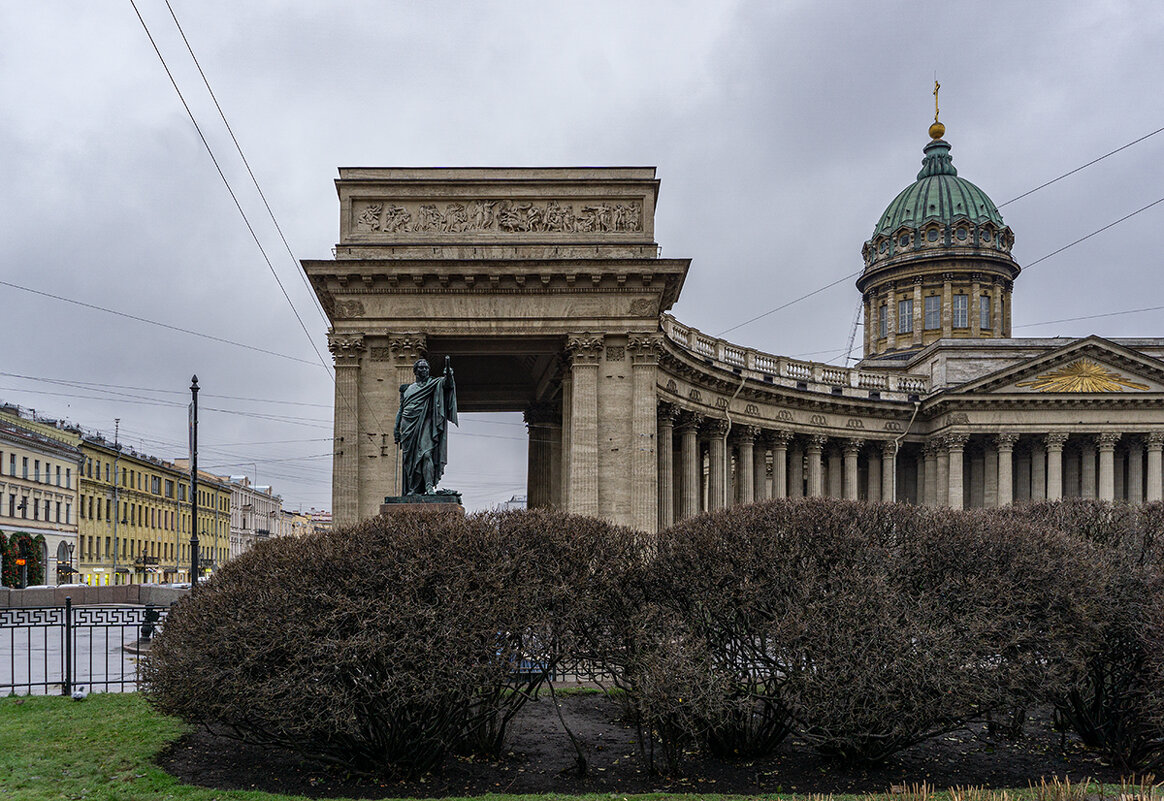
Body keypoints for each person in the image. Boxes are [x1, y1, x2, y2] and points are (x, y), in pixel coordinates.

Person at [394, 356, 458, 495]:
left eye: (427, 368)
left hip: (425, 423)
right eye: (422, 367)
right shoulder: (407, 389)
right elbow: (401, 409)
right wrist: (396, 429)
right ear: (415, 371)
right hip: (408, 425)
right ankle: (413, 488)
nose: (425, 370)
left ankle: (429, 486)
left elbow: (447, 384)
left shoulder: (434, 383)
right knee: (409, 460)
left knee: (427, 454)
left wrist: (448, 374)